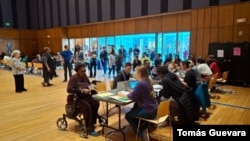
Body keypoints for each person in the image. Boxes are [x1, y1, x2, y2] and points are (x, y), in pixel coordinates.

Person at [118, 65, 158, 140]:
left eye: (136, 71)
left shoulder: (141, 83)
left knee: (128, 116)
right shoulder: (147, 81)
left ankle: (141, 132)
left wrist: (122, 94)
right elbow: (138, 93)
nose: (134, 72)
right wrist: (134, 91)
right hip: (153, 108)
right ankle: (143, 126)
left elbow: (132, 97)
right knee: (135, 109)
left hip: (148, 110)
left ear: (139, 73)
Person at [66, 63, 100, 137]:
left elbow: (89, 84)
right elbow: (69, 89)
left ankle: (92, 123)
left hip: (85, 96)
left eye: (84, 71)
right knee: (86, 107)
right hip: (76, 98)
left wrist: (92, 88)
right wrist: (82, 90)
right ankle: (89, 128)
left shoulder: (84, 76)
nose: (84, 72)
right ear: (77, 71)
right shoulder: (73, 78)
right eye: (82, 71)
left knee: (95, 103)